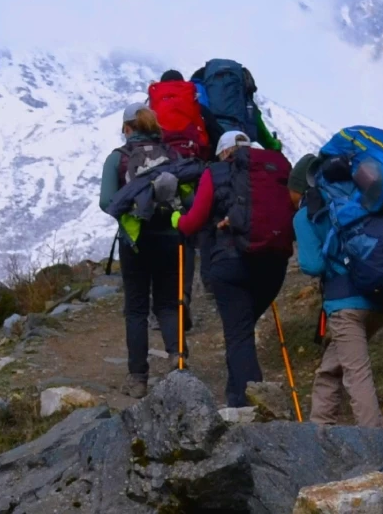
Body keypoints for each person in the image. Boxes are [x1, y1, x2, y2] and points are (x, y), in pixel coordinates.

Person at [176, 131, 291, 406]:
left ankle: (248, 406)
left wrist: (176, 219)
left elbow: (193, 222)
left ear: (223, 153)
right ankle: (235, 393)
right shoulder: (272, 170)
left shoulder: (214, 173)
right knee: (242, 328)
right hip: (274, 263)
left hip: (231, 264)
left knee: (238, 334)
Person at [291, 155, 383, 427]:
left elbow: (312, 265)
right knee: (329, 370)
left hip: (345, 305)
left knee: (356, 374)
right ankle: (319, 432)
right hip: (379, 299)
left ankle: (378, 446)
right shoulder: (357, 201)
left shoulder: (306, 215)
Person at [99, 106, 186, 398]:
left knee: (136, 308)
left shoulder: (119, 158)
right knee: (167, 302)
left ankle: (138, 378)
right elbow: (187, 193)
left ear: (126, 127)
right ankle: (178, 356)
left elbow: (106, 200)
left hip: (135, 241)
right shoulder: (171, 155)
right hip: (169, 237)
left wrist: (131, 213)